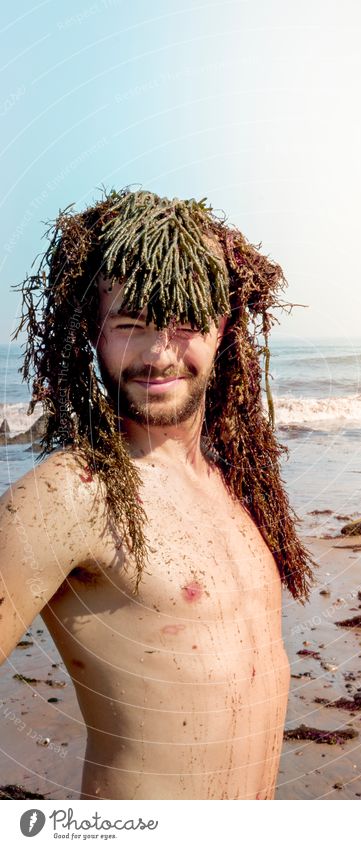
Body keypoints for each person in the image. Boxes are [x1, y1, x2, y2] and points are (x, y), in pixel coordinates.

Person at [0, 189, 312, 800]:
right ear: (94, 333)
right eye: (131, 326)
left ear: (221, 329)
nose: (159, 353)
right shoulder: (67, 495)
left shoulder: (235, 487)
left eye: (185, 324)